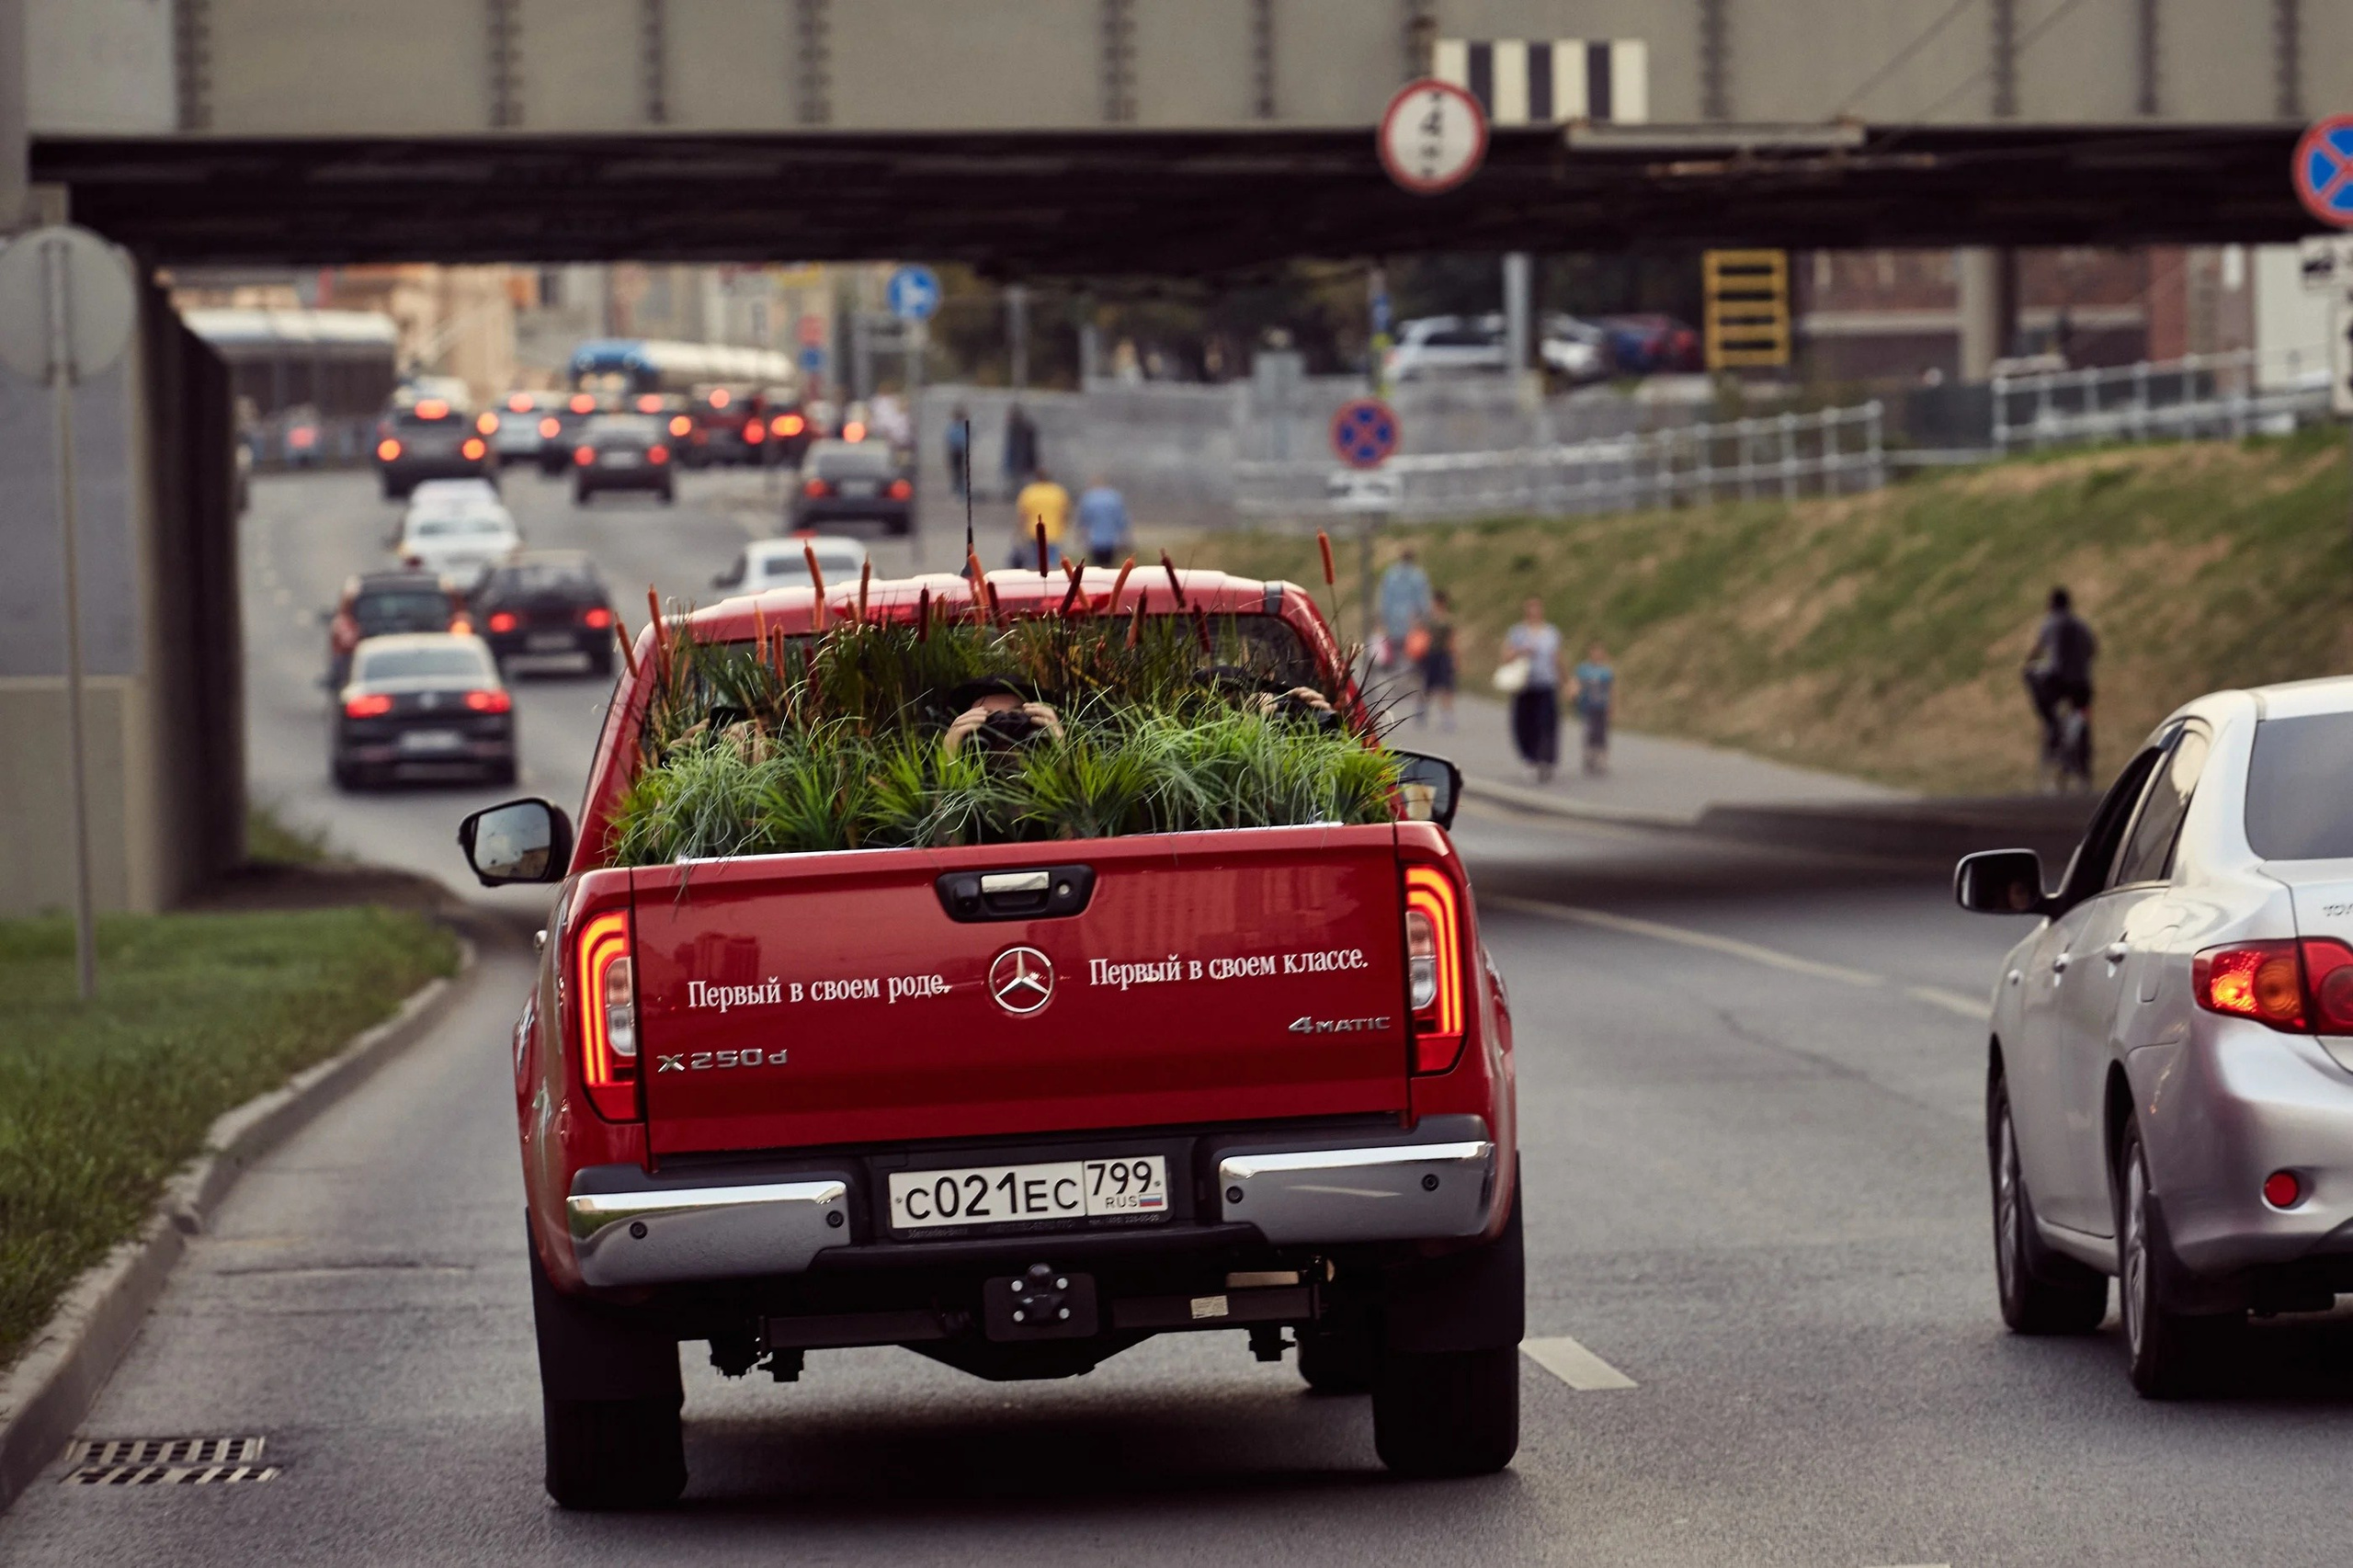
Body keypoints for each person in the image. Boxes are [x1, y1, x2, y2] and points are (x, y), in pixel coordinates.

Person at [2025, 585, 2098, 790]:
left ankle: (2052, 727)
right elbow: (2093, 649)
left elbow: (2037, 650)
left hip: (2058, 681)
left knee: (2035, 686)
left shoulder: (2050, 623)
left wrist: (2029, 662)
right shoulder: (2080, 624)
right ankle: (2083, 763)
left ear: (2051, 604)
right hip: (2082, 683)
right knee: (2083, 714)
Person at [1501, 597, 1564, 783]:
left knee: (1546, 724)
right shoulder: (1517, 632)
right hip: (1524, 685)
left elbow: (1558, 658)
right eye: (1530, 610)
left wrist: (1566, 681)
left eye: (1537, 609)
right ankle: (1529, 758)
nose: (1534, 613)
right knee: (1524, 724)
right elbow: (1506, 656)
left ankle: (1546, 759)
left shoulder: (1551, 632)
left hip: (1546, 684)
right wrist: (1520, 651)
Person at [1377, 549, 1433, 675]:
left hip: (1393, 618)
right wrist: (1424, 617)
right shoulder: (1418, 576)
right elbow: (1423, 600)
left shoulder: (1391, 574)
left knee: (1395, 647)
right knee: (1409, 651)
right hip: (1411, 619)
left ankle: (1395, 672)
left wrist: (1381, 616)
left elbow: (1384, 598)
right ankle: (1405, 673)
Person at [1012, 466, 1073, 568]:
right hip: (1054, 533)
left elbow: (1023, 515)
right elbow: (1065, 513)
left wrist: (1019, 532)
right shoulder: (1058, 492)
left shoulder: (1029, 492)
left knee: (1036, 563)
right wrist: (1064, 528)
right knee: (1052, 563)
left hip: (1034, 534)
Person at [1415, 591, 1458, 732]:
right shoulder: (1428, 619)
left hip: (1444, 655)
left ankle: (1447, 717)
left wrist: (1455, 657)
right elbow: (1419, 634)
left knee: (1446, 687)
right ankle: (1421, 710)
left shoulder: (1447, 620)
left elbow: (1452, 639)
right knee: (1428, 686)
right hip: (1430, 655)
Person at [1574, 641, 1616, 774]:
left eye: (1600, 652)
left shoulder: (1606, 671)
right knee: (1590, 730)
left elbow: (1612, 689)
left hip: (1602, 705)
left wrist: (1612, 705)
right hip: (1587, 705)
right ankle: (1589, 755)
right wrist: (1573, 695)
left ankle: (1602, 758)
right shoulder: (1583, 669)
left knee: (1602, 732)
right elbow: (1576, 685)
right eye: (1595, 652)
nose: (1597, 655)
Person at [1076, 476, 1131, 567]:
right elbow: (1121, 520)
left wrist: (1080, 535)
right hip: (1111, 540)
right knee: (1109, 566)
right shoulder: (1114, 497)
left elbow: (1083, 519)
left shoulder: (1089, 497)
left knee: (1096, 567)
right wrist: (1125, 537)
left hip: (1094, 540)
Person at [1002, 403, 1039, 494]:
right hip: (1021, 460)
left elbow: (1022, 447)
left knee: (1021, 481)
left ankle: (1019, 494)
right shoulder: (1015, 428)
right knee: (1017, 480)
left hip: (1022, 461)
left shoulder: (1020, 428)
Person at [944, 404, 970, 498]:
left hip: (959, 451)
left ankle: (959, 488)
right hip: (955, 451)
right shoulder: (954, 427)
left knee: (959, 471)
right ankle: (956, 488)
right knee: (956, 471)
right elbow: (950, 439)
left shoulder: (959, 427)